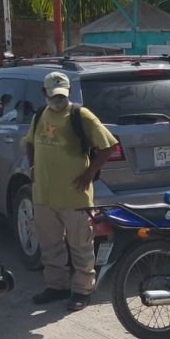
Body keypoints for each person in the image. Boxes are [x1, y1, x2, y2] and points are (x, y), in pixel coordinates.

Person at [26, 71, 118, 312]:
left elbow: (107, 146)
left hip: (74, 195)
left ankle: (82, 290)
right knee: (50, 243)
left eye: (62, 95)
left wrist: (89, 174)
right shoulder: (39, 115)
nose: (58, 99)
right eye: (53, 94)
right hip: (44, 194)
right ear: (44, 94)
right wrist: (33, 168)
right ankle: (57, 286)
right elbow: (29, 142)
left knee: (80, 245)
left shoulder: (80, 115)